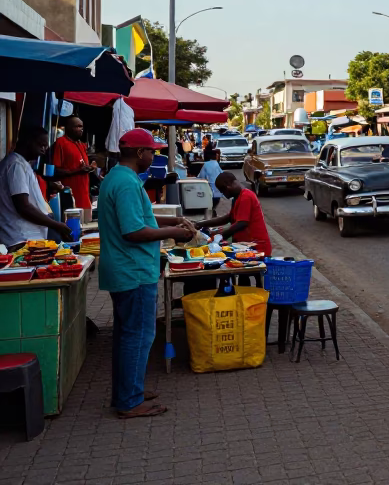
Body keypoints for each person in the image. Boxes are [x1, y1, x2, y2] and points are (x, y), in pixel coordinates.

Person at [97, 128, 196, 419]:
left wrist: (175, 219)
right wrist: (175, 232)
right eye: (151, 151)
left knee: (127, 335)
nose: (154, 156)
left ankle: (128, 391)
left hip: (125, 269)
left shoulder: (117, 177)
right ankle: (130, 401)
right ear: (140, 153)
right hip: (133, 271)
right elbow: (134, 231)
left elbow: (141, 218)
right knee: (138, 336)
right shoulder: (126, 183)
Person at [0, 126, 74, 245]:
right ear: (28, 141)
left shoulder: (22, 164)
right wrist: (56, 225)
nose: (44, 150)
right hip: (20, 238)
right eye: (41, 145)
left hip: (30, 238)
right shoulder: (15, 165)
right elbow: (23, 206)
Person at [197, 172, 272, 255]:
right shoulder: (237, 198)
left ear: (228, 186)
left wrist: (221, 236)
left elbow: (242, 223)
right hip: (245, 246)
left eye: (223, 191)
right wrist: (201, 224)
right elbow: (229, 218)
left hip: (257, 247)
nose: (223, 195)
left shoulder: (246, 196)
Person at [50, 116, 95, 211]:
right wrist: (77, 171)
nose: (81, 129)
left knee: (86, 222)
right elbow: (55, 170)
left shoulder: (81, 144)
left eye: (81, 126)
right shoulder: (61, 143)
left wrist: (90, 167)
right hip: (70, 198)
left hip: (84, 197)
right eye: (77, 126)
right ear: (68, 127)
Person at [198, 148, 224, 214]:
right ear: (216, 156)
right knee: (215, 201)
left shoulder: (206, 164)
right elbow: (222, 174)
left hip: (209, 186)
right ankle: (212, 210)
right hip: (217, 187)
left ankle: (211, 211)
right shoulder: (216, 165)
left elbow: (202, 176)